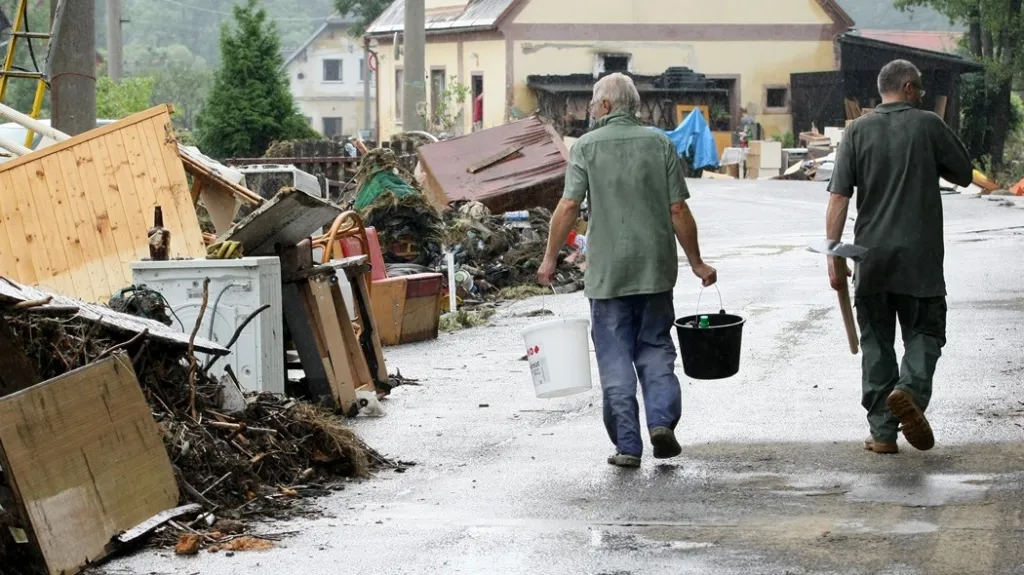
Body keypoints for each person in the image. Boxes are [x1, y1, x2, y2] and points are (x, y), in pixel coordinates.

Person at [537, 73, 717, 468]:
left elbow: (569, 207)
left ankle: (628, 446)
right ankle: (661, 423)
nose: (589, 112)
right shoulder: (660, 143)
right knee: (654, 348)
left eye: (591, 106)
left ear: (605, 106)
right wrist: (697, 262)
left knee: (615, 356)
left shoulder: (586, 147)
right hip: (655, 270)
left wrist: (549, 259)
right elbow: (677, 210)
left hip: (607, 275)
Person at [826, 59, 973, 455]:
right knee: (925, 334)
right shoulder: (928, 124)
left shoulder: (856, 131)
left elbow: (839, 198)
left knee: (876, 344)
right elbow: (964, 174)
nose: (923, 94)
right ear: (908, 87)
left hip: (870, 260)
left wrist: (832, 257)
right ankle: (908, 390)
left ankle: (883, 435)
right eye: (920, 88)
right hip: (920, 261)